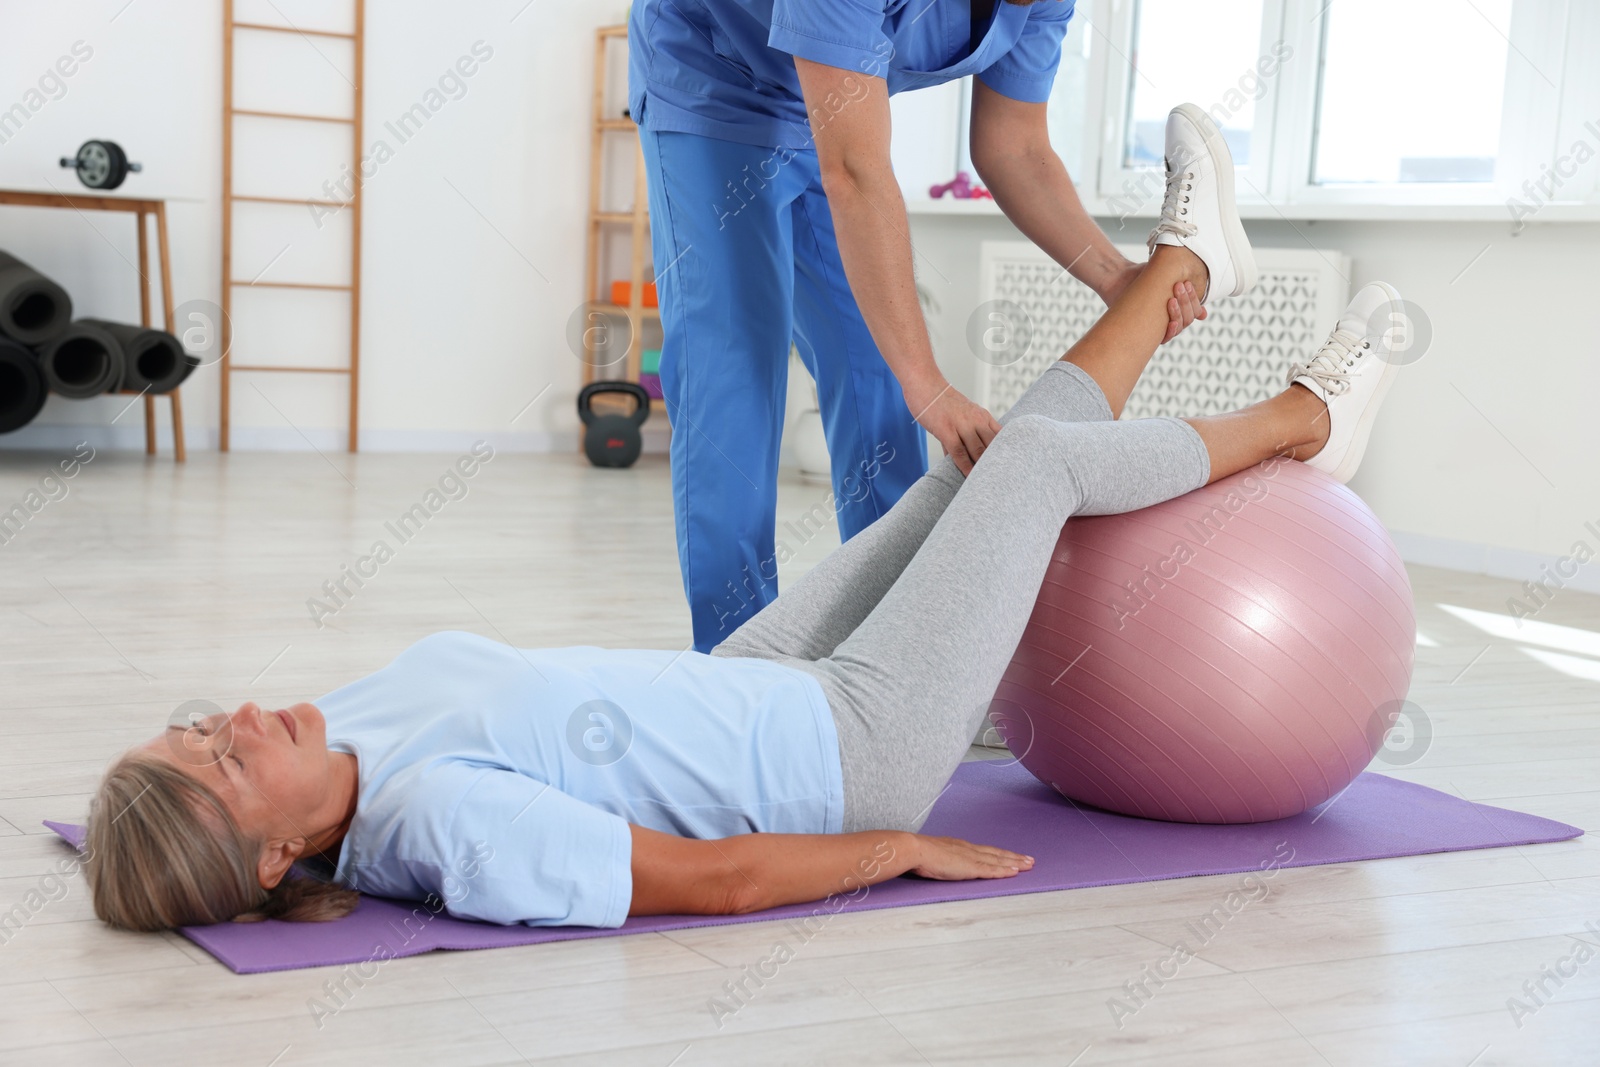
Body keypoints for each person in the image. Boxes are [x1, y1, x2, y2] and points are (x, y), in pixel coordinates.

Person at [85, 107, 1405, 932]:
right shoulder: (439, 828)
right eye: (227, 760)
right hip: (847, 749)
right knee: (1043, 468)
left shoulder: (343, 729)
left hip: (751, 687)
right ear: (273, 861)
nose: (242, 718)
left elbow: (157, 832)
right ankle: (1307, 419)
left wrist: (156, 806)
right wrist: (891, 845)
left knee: (975, 462)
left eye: (203, 721)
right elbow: (700, 882)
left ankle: (1192, 270)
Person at [628, 0, 1213, 652]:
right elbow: (853, 171)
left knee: (878, 375)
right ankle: (734, 669)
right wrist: (930, 384)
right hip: (715, 86)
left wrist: (1113, 275)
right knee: (732, 377)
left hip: (832, 107)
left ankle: (893, 654)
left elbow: (1014, 144)